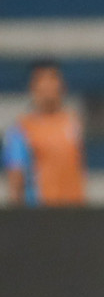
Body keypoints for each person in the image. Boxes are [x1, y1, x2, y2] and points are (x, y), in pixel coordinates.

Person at [4, 60, 87, 207]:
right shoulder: (21, 130)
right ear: (33, 87)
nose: (49, 85)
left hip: (74, 211)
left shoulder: (72, 123)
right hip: (41, 214)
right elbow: (16, 178)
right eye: (42, 80)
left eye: (53, 78)